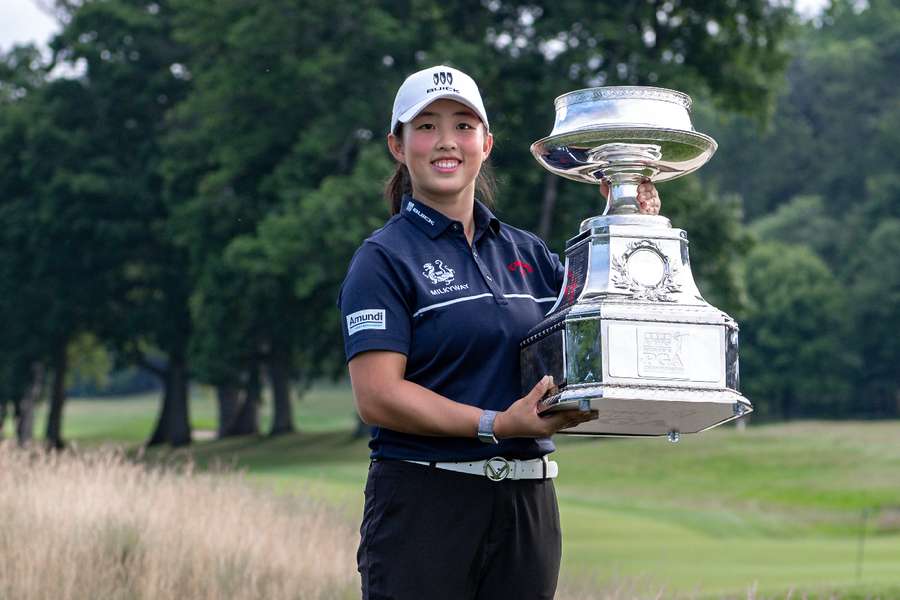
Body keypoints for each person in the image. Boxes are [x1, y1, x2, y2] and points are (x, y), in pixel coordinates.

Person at [338, 65, 661, 600]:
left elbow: (594, 337)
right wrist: (496, 423)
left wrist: (628, 226)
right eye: (426, 127)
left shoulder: (528, 253)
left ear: (486, 143)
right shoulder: (382, 260)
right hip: (425, 503)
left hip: (527, 508)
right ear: (398, 146)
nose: (446, 142)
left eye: (463, 126)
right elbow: (377, 396)